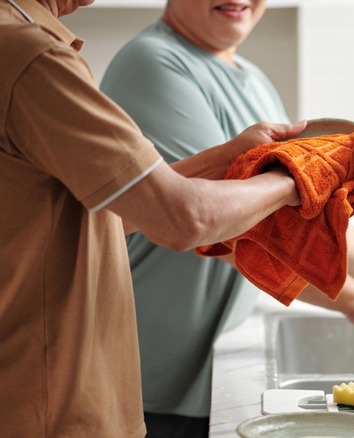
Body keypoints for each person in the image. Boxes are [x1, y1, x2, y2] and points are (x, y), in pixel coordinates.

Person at [99, 0, 354, 436]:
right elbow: (223, 224)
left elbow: (303, 215)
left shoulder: (252, 79)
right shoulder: (153, 65)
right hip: (159, 371)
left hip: (210, 355)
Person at [0, 0, 320, 436]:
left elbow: (103, 215)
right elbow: (182, 219)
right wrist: (296, 179)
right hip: (53, 412)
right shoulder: (29, 54)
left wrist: (229, 158)